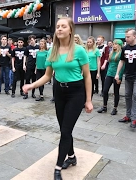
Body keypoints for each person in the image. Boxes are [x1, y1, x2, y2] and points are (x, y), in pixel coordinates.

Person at [23, 17, 93, 180]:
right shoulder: (52, 51)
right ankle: (72, 157)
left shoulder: (79, 50)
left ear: (70, 30)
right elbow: (47, 76)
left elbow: (88, 77)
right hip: (59, 92)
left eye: (63, 26)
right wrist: (31, 85)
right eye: (57, 26)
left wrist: (88, 100)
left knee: (66, 131)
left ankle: (57, 168)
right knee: (64, 130)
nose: (59, 29)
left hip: (76, 92)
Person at [97, 39, 125, 115]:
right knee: (105, 90)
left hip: (117, 74)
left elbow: (123, 66)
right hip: (109, 73)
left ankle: (115, 108)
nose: (114, 45)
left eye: (115, 44)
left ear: (119, 45)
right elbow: (109, 63)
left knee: (116, 92)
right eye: (113, 44)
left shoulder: (121, 53)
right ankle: (104, 106)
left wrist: (119, 76)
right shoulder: (112, 52)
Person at [23, 35, 39, 99]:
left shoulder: (38, 47)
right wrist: (24, 64)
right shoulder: (27, 48)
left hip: (35, 65)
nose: (31, 42)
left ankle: (33, 93)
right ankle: (26, 93)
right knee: (27, 79)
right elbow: (25, 56)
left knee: (34, 80)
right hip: (29, 65)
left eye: (32, 40)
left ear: (35, 40)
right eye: (30, 40)